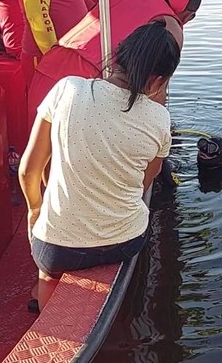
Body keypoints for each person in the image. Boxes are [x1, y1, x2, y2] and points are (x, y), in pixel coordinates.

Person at [19, 20, 179, 311]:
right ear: (158, 82)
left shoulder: (67, 89)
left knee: (46, 268)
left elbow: (28, 171)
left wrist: (35, 212)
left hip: (56, 249)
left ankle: (44, 297)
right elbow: (143, 184)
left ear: (117, 57)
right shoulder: (159, 119)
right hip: (124, 241)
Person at [27, 0, 201, 122]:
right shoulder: (169, 26)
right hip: (85, 88)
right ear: (188, 15)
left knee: (41, 157)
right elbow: (156, 92)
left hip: (47, 71)